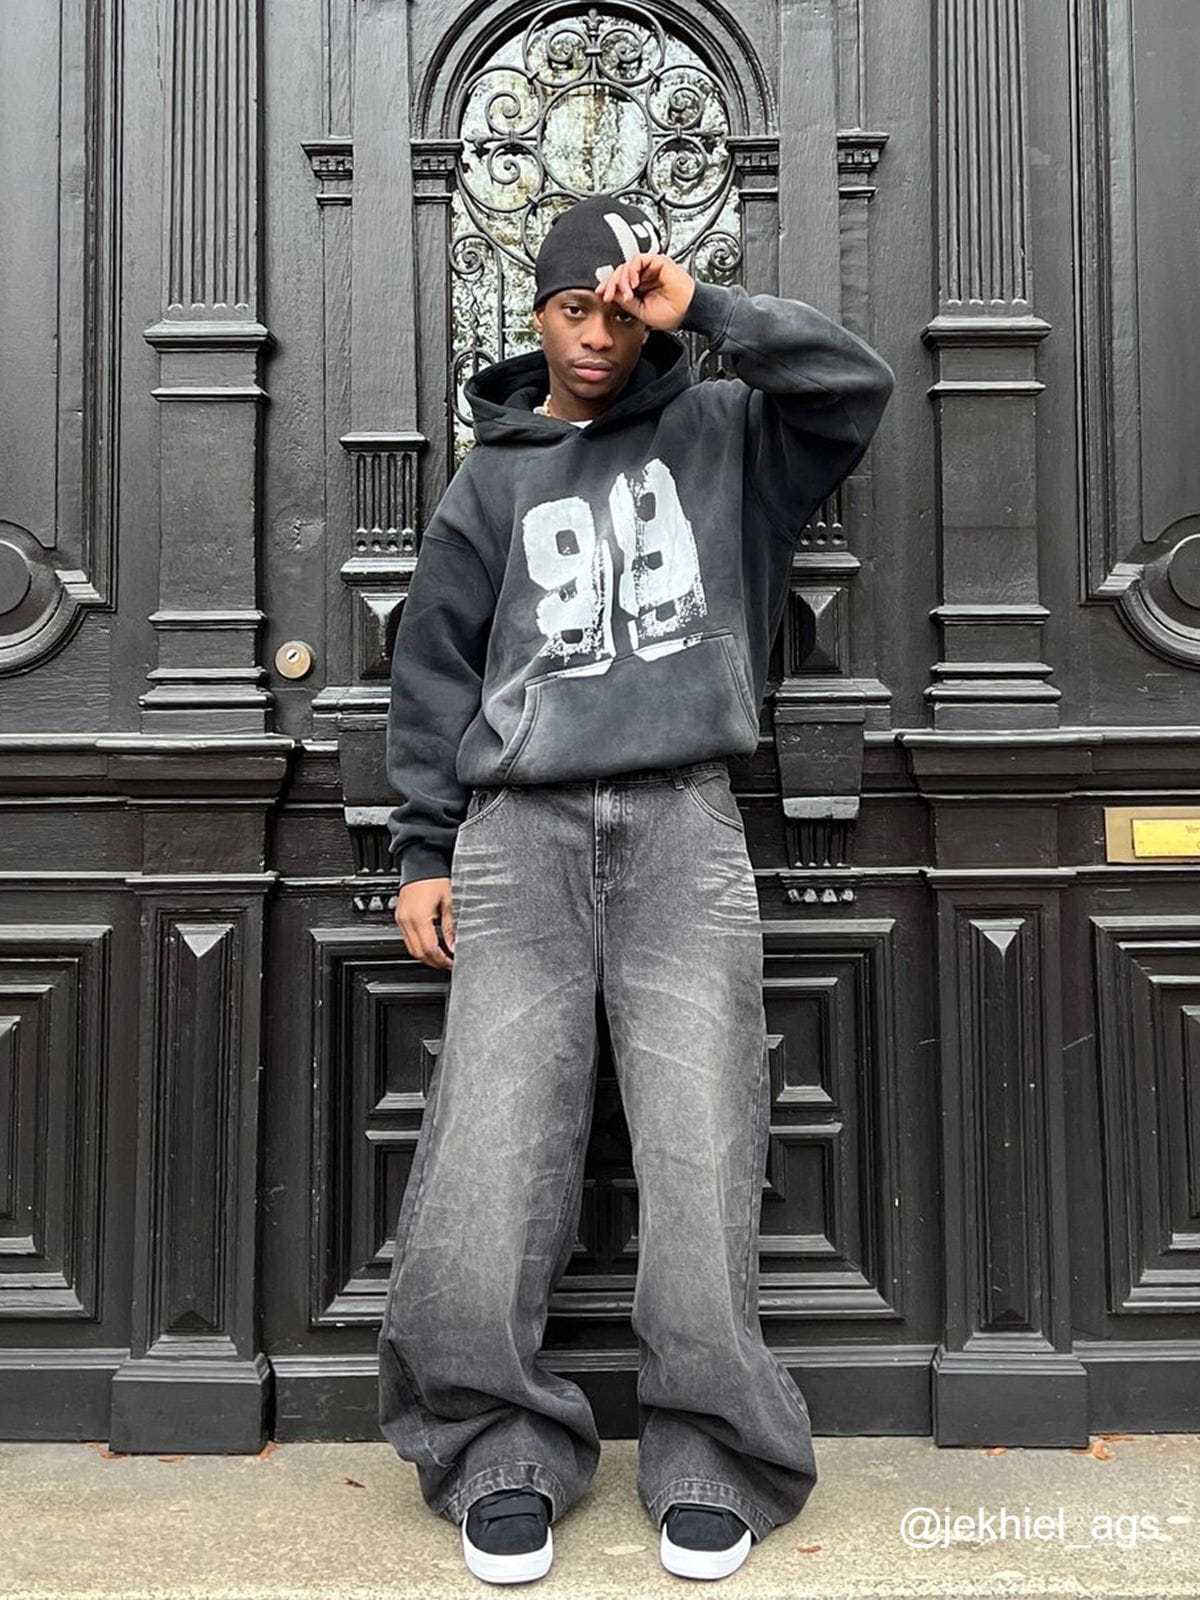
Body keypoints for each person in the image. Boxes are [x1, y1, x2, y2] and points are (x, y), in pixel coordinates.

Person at [378, 193, 894, 1585]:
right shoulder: (491, 479)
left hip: (682, 823)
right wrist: (423, 852)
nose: (598, 336)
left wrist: (706, 311)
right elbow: (434, 670)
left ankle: (715, 1456)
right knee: (492, 1152)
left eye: (618, 310)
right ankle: (496, 1445)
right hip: (520, 834)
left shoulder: (728, 433)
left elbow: (852, 388)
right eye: (574, 310)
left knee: (702, 1140)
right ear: (536, 317)